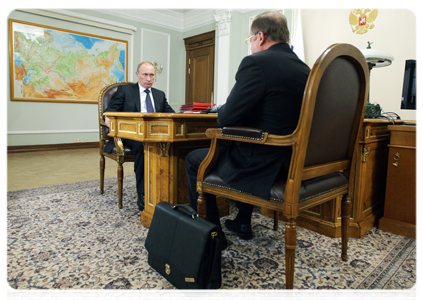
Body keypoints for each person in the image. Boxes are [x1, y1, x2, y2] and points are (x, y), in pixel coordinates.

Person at [185, 11, 310, 245]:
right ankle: (242, 219)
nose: (250, 45)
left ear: (260, 37)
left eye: (249, 40)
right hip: (295, 161)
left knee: (195, 160)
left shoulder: (256, 62)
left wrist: (222, 110)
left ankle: (212, 236)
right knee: (241, 148)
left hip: (264, 163)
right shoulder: (306, 70)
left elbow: (227, 118)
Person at [104, 61, 175, 211]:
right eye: (145, 75)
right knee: (143, 147)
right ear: (137, 75)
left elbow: (171, 114)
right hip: (131, 135)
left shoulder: (159, 94)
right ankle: (143, 194)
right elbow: (110, 114)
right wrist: (111, 123)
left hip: (155, 134)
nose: (148, 78)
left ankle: (169, 191)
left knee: (174, 146)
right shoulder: (125, 91)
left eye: (151, 75)